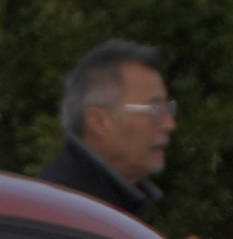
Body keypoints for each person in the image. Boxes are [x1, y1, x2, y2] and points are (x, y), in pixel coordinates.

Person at [36, 41, 173, 223]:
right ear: (99, 122)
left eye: (167, 109)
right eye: (154, 109)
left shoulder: (105, 205)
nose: (169, 124)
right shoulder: (62, 212)